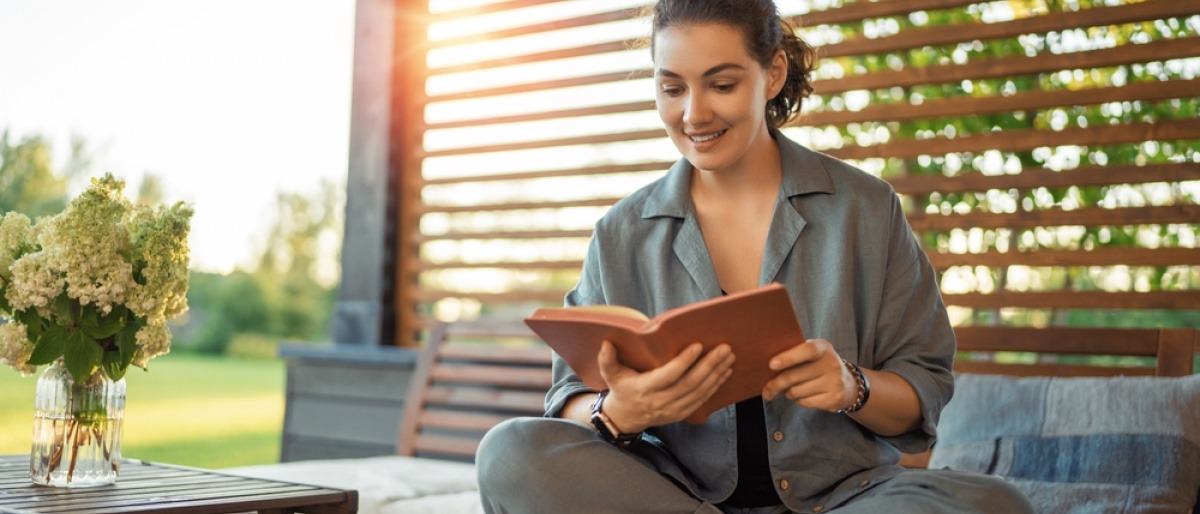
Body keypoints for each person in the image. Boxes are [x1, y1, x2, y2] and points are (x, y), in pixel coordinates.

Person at [476, 1, 1035, 512]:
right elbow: (569, 401)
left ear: (772, 74)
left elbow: (922, 393)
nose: (693, 114)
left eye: (720, 84)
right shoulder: (620, 234)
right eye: (672, 89)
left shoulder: (865, 208)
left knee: (994, 504)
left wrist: (850, 387)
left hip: (843, 500)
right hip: (675, 497)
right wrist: (621, 412)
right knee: (509, 451)